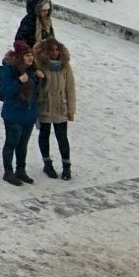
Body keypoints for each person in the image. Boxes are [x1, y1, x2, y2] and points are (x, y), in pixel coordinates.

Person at [0, 41, 44, 184]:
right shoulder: (10, 70)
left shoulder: (33, 71)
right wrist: (18, 81)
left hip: (28, 115)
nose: (30, 58)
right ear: (20, 57)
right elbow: (6, 92)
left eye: (32, 55)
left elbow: (38, 93)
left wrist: (42, 79)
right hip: (13, 114)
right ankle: (8, 171)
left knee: (23, 144)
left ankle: (21, 170)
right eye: (27, 56)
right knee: (11, 143)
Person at [36, 38, 76, 180]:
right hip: (45, 107)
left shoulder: (65, 66)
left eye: (56, 49)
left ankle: (66, 166)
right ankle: (47, 163)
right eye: (51, 50)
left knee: (62, 137)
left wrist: (71, 110)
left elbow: (70, 88)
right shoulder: (40, 66)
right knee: (44, 135)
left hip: (60, 108)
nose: (55, 53)